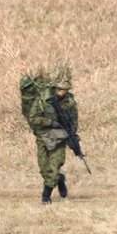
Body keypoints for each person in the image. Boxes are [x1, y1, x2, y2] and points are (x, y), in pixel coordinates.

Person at [26, 62, 79, 204]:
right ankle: (59, 179)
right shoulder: (43, 99)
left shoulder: (70, 102)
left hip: (59, 138)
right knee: (45, 170)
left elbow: (73, 120)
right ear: (55, 87)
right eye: (60, 89)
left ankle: (46, 197)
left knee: (53, 168)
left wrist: (73, 136)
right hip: (43, 137)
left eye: (65, 89)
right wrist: (50, 123)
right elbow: (33, 118)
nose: (63, 92)